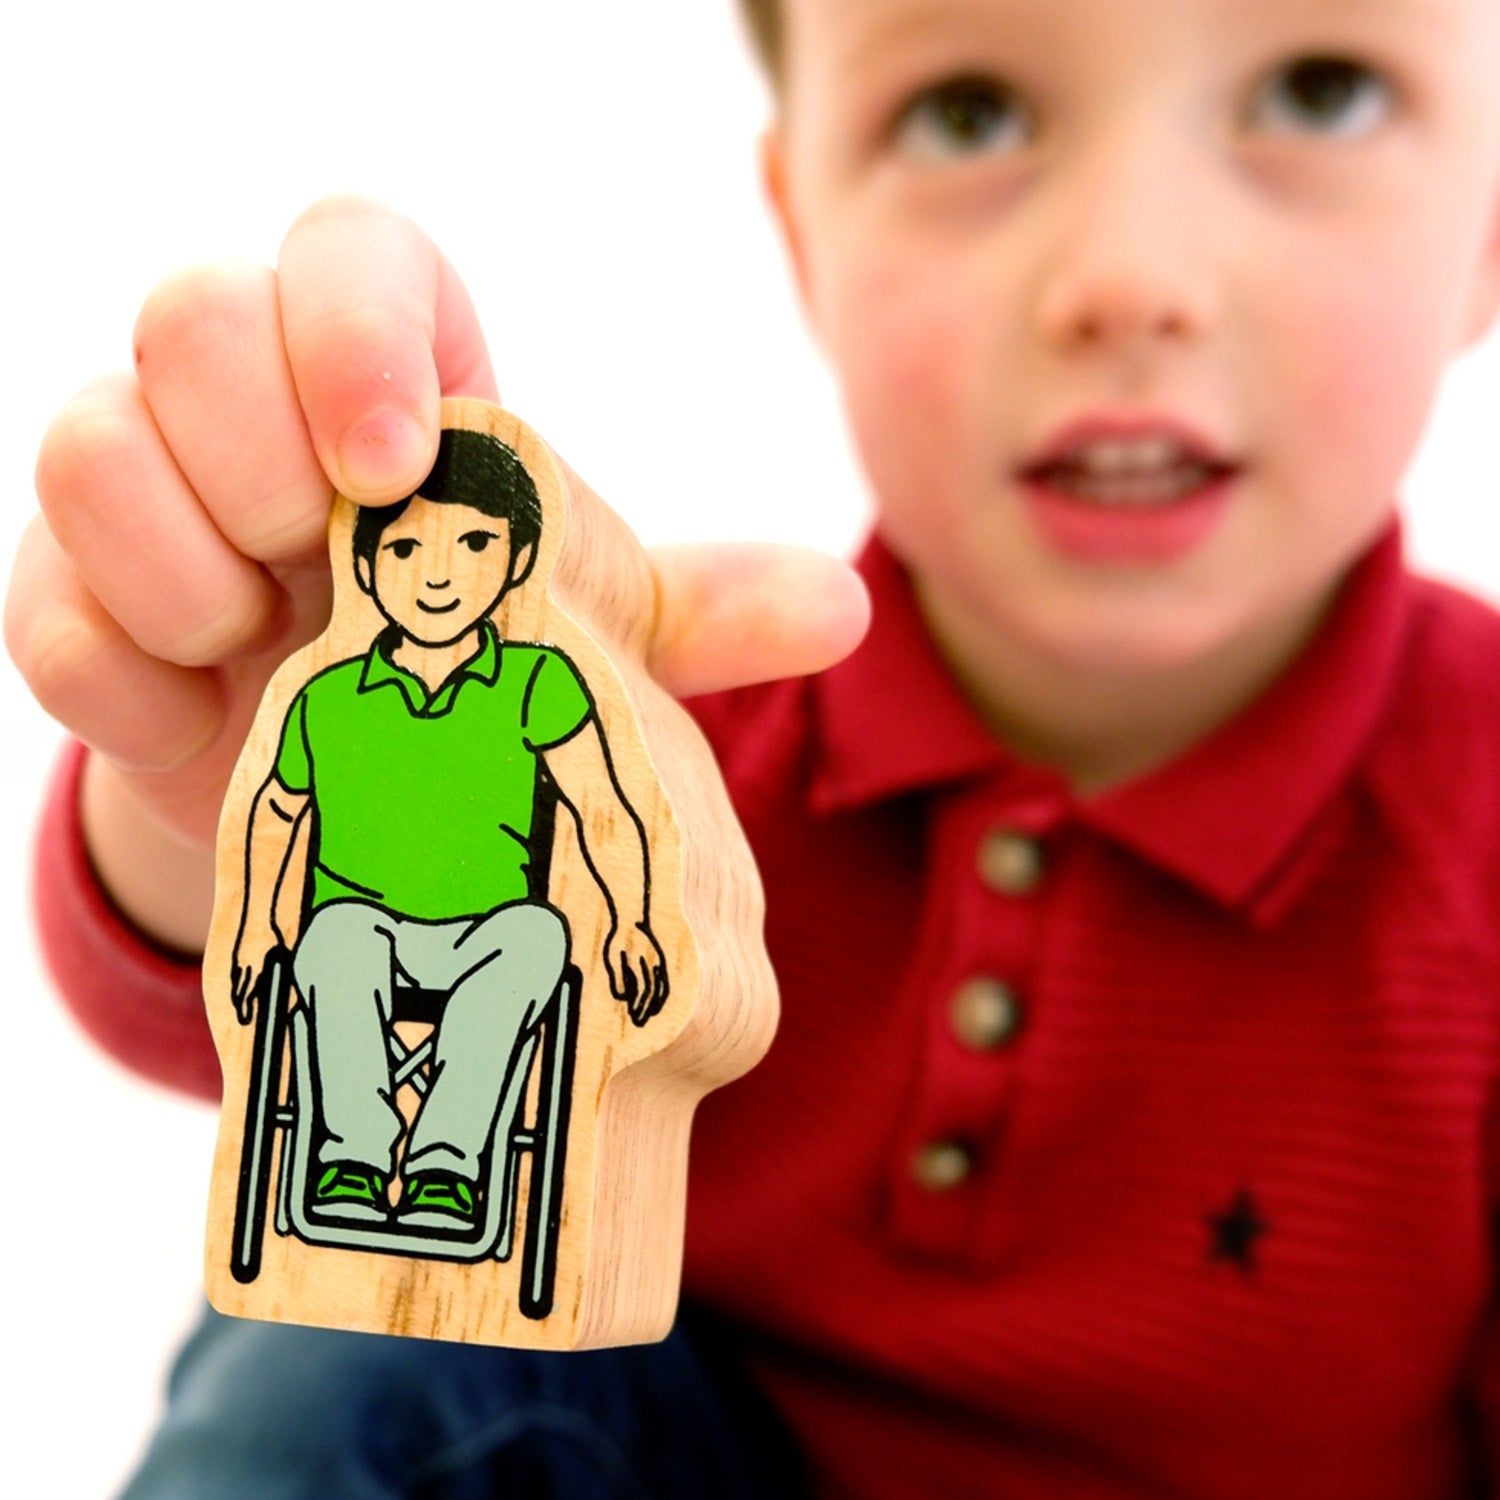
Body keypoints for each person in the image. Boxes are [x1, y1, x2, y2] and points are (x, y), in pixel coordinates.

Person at [12, 0, 1500, 1494]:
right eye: (967, 113)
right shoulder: (659, 716)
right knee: (353, 1345)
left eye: (1322, 92)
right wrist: (209, 755)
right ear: (805, 239)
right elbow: (208, 983)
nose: (1130, 280)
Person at [231, 423, 667, 1228]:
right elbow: (275, 809)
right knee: (334, 938)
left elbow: (603, 806)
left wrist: (633, 922)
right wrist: (257, 922)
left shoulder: (538, 678)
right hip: (360, 935)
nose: (437, 574)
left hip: (486, 935)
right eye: (404, 550)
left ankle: (445, 1165)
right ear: (364, 568)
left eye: (473, 544)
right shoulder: (325, 699)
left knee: (538, 935)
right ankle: (354, 1157)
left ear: (516, 567)